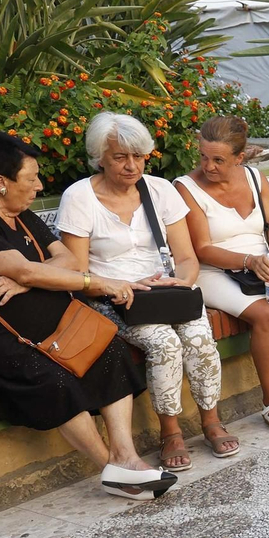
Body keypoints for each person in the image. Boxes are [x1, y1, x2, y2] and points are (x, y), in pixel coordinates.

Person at [0, 133, 176, 500]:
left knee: (111, 351)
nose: (38, 186)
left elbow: (66, 260)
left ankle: (127, 457)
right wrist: (96, 282)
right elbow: (34, 270)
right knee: (54, 381)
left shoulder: (20, 215)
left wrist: (26, 279)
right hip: (1, 337)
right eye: (31, 178)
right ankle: (111, 468)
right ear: (0, 182)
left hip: (56, 323)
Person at [57, 112, 237, 472]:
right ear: (99, 158)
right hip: (116, 299)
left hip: (167, 292)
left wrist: (181, 281)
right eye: (120, 157)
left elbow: (186, 258)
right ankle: (170, 432)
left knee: (200, 338)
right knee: (165, 344)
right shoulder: (79, 198)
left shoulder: (159, 190)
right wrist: (115, 286)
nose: (131, 165)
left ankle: (211, 420)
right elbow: (77, 272)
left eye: (138, 156)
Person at [176, 115, 269, 434]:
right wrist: (248, 260)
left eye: (218, 160)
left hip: (260, 264)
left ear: (239, 158)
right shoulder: (186, 187)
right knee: (267, 316)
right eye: (203, 156)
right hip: (213, 269)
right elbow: (201, 248)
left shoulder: (256, 179)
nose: (208, 166)